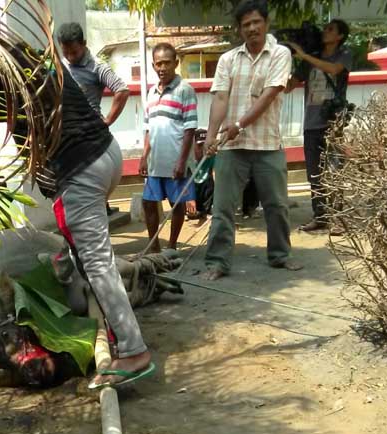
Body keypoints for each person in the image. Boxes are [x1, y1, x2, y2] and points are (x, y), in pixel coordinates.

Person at [0, 39, 155, 388]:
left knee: (98, 265)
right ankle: (110, 327)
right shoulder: (37, 64)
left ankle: (133, 350)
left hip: (79, 171)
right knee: (87, 258)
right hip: (106, 154)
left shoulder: (0, 85)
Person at [202, 0, 302, 280]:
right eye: (246, 24)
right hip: (232, 147)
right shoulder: (228, 59)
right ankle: (217, 262)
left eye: (256, 22)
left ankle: (280, 255)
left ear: (266, 24)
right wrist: (211, 136)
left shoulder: (280, 54)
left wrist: (238, 124)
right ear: (239, 30)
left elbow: (271, 94)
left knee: (277, 205)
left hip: (268, 143)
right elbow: (220, 98)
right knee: (222, 207)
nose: (252, 28)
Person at [285, 19, 352, 233]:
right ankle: (320, 217)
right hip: (311, 124)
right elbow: (288, 86)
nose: (325, 31)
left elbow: (333, 69)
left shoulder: (344, 54)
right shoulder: (310, 58)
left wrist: (304, 55)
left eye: (330, 29)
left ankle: (339, 219)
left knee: (334, 171)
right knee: (314, 173)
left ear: (340, 36)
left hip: (333, 122)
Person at [57, 22, 130, 216]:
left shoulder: (97, 67)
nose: (70, 57)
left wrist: (106, 121)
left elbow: (122, 90)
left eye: (74, 52)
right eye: (66, 52)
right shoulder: (59, 65)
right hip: (65, 137)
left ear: (84, 44)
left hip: (88, 137)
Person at [139, 43, 197, 252]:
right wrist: (144, 156)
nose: (162, 67)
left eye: (166, 63)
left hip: (175, 162)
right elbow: (148, 129)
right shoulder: (151, 93)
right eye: (158, 64)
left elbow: (190, 129)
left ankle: (172, 246)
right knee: (148, 204)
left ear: (175, 63)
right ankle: (154, 247)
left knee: (176, 205)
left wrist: (182, 162)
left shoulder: (185, 90)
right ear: (153, 66)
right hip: (155, 162)